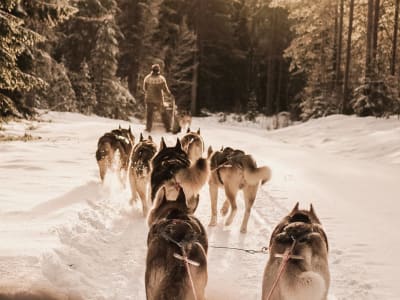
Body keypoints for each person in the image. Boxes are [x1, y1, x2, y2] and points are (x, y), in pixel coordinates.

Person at [143, 64, 172, 132]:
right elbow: (165, 89)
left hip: (149, 99)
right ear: (158, 70)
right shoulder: (161, 79)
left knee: (149, 114)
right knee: (163, 113)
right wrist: (169, 94)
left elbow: (144, 88)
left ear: (152, 70)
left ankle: (148, 128)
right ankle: (168, 128)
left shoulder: (147, 78)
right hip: (159, 100)